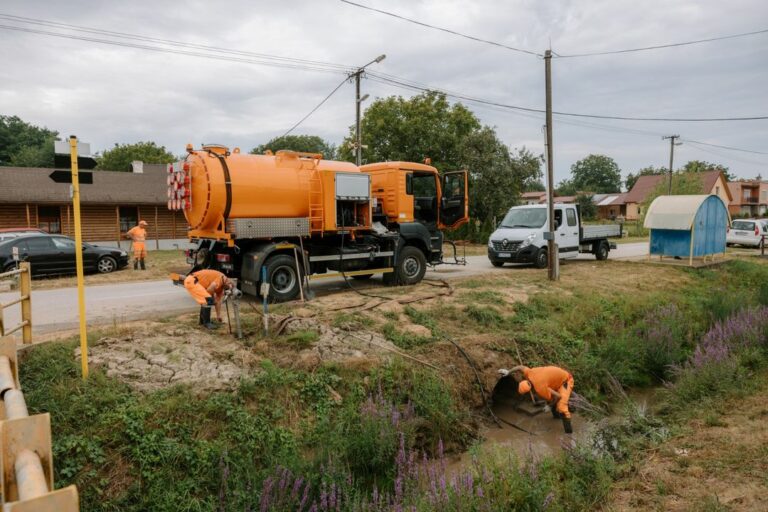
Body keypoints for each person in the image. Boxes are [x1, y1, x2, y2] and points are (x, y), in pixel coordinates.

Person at [498, 365, 575, 434]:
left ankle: (568, 433)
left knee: (562, 407)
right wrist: (508, 372)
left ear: (530, 390)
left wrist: (549, 406)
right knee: (550, 398)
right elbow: (520, 367)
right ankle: (557, 417)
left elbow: (558, 397)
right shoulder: (529, 373)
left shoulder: (540, 388)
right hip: (556, 379)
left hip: (566, 381)